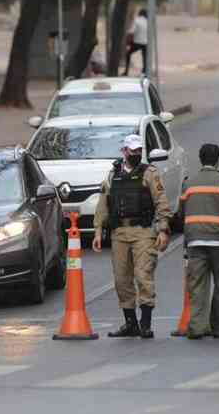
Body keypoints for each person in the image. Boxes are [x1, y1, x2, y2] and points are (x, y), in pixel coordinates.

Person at [93, 134, 172, 339]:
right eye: (132, 151)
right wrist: (97, 230)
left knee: (143, 275)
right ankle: (130, 323)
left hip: (143, 232)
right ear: (124, 151)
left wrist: (163, 229)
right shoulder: (113, 175)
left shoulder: (149, 173)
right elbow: (103, 203)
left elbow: (161, 202)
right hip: (119, 233)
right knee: (121, 279)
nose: (136, 154)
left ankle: (145, 324)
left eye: (139, 151)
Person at [174, 144, 219, 339]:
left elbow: (180, 212)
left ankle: (196, 327)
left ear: (200, 159)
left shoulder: (189, 183)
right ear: (217, 159)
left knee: (197, 286)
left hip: (195, 242)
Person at [124, 9, 148, 76]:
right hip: (146, 43)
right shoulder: (148, 21)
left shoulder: (136, 20)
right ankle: (144, 72)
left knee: (128, 54)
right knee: (145, 57)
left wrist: (127, 41)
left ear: (139, 14)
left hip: (137, 42)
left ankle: (126, 71)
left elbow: (131, 32)